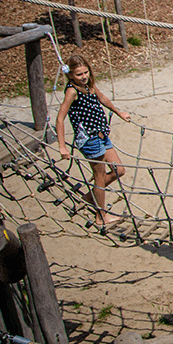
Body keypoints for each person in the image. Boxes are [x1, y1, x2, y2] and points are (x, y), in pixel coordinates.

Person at [56, 54, 130, 227]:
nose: (83, 77)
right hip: (89, 139)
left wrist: (119, 112)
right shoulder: (72, 91)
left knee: (119, 170)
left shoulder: (89, 85)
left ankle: (91, 196)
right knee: (100, 177)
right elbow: (60, 118)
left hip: (102, 134)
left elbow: (102, 98)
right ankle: (101, 217)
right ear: (70, 76)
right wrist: (62, 147)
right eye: (79, 74)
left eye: (85, 72)